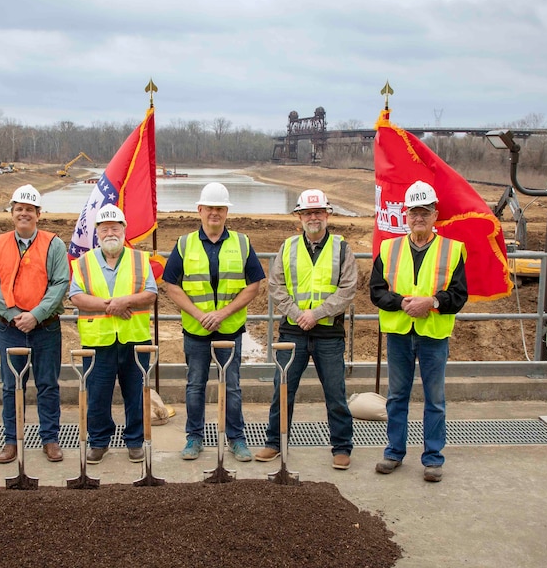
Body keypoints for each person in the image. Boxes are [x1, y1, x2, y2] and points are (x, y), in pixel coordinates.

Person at [369, 180, 468, 482]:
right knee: (397, 396)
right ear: (406, 215)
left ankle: (433, 458)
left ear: (435, 214)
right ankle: (394, 453)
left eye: (425, 212)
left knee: (434, 399)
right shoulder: (389, 248)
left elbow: (459, 295)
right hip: (399, 334)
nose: (419, 218)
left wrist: (432, 302)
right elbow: (376, 292)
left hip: (433, 336)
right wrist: (402, 303)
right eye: (414, 212)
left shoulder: (452, 250)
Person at [161, 182, 265, 462]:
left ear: (227, 212)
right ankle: (194, 438)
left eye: (220, 208)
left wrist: (222, 313)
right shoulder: (185, 244)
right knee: (195, 386)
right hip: (196, 331)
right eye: (210, 208)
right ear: (200, 210)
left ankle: (236, 438)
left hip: (229, 330)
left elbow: (254, 285)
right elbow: (171, 285)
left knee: (232, 387)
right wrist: (199, 315)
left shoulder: (242, 243)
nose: (214, 213)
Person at [255, 189, 359, 470]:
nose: (313, 217)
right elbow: (276, 286)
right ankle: (275, 442)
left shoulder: (342, 248)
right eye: (308, 213)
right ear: (299, 217)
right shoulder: (288, 247)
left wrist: (317, 314)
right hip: (293, 332)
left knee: (335, 393)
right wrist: (298, 314)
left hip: (329, 334)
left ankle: (341, 447)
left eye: (318, 212)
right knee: (282, 390)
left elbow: (348, 289)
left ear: (327, 215)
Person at [0, 184, 69, 464]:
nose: (24, 213)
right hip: (11, 329)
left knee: (47, 385)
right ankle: (11, 440)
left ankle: (50, 439)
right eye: (19, 208)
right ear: (12, 212)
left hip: (46, 328)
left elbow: (60, 283)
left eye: (29, 209)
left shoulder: (54, 244)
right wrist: (13, 314)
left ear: (38, 214)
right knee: (11, 387)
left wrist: (36, 315)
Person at [69, 204, 158, 464]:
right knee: (97, 395)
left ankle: (135, 441)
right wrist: (111, 306)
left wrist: (124, 301)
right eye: (105, 229)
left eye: (115, 228)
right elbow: (76, 296)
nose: (110, 233)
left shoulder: (139, 259)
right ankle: (99, 442)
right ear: (97, 232)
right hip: (97, 341)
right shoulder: (84, 263)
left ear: (124, 230)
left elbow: (151, 294)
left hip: (135, 339)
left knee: (137, 394)